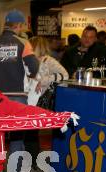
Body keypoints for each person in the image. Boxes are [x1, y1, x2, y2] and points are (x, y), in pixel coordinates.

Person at [0, 9, 39, 172]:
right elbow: (33, 68)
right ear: (20, 25)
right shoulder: (23, 43)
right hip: (17, 98)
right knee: (17, 140)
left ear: (5, 24)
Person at [26, 36, 69, 164]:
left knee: (31, 132)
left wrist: (44, 80)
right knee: (28, 132)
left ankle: (31, 161)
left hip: (39, 100)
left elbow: (64, 74)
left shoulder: (48, 61)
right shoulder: (30, 60)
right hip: (29, 99)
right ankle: (29, 160)